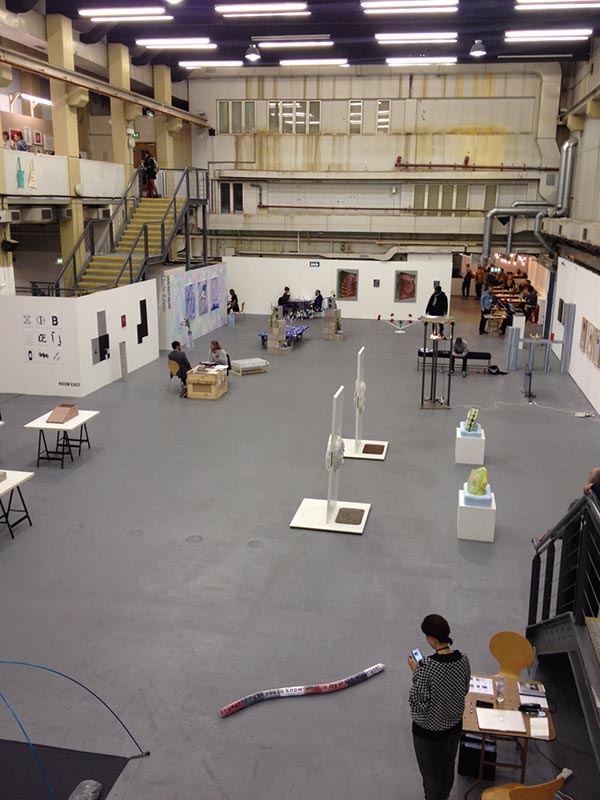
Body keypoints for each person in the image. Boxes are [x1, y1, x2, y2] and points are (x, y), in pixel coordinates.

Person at [408, 614, 470, 800]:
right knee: (447, 769)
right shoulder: (463, 658)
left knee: (431, 775)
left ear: (432, 638)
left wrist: (416, 672)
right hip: (453, 728)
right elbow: (465, 689)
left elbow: (417, 703)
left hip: (428, 733)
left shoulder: (426, 666)